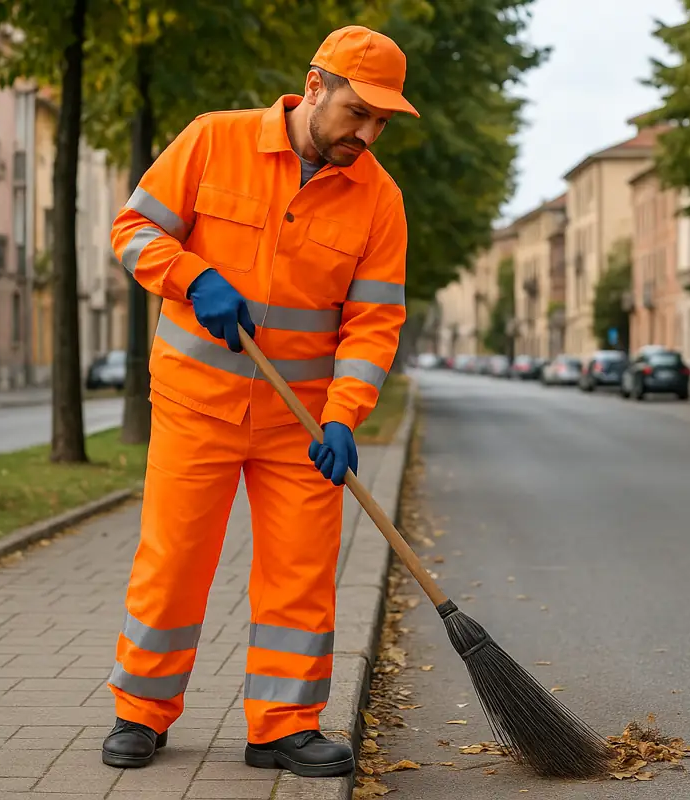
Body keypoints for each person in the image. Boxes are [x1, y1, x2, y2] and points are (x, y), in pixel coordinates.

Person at [102, 24, 418, 779]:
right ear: (315, 87)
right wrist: (189, 275)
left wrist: (345, 418)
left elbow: (373, 327)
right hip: (195, 402)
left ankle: (282, 727)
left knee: (302, 575)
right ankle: (141, 714)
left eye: (381, 121)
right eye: (357, 113)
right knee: (173, 561)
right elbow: (131, 228)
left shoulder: (380, 201)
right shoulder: (214, 141)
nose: (367, 134)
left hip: (301, 422)